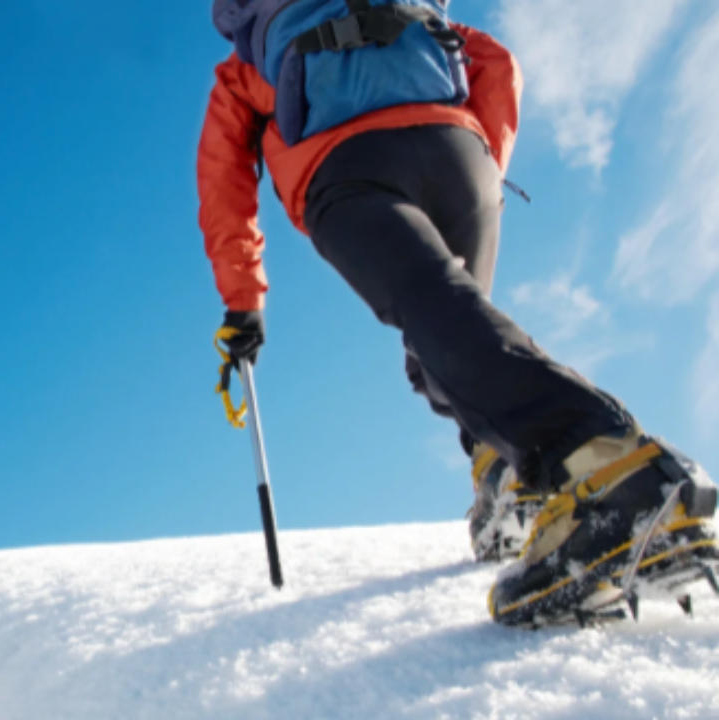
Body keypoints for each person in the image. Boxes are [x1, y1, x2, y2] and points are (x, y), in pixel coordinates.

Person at [200, 0, 718, 626]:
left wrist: (243, 304)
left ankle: (611, 469)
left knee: (436, 313)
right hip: (459, 153)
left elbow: (224, 174)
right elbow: (495, 62)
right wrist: (484, 168)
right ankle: (505, 476)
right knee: (447, 331)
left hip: (347, 168)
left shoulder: (252, 54)